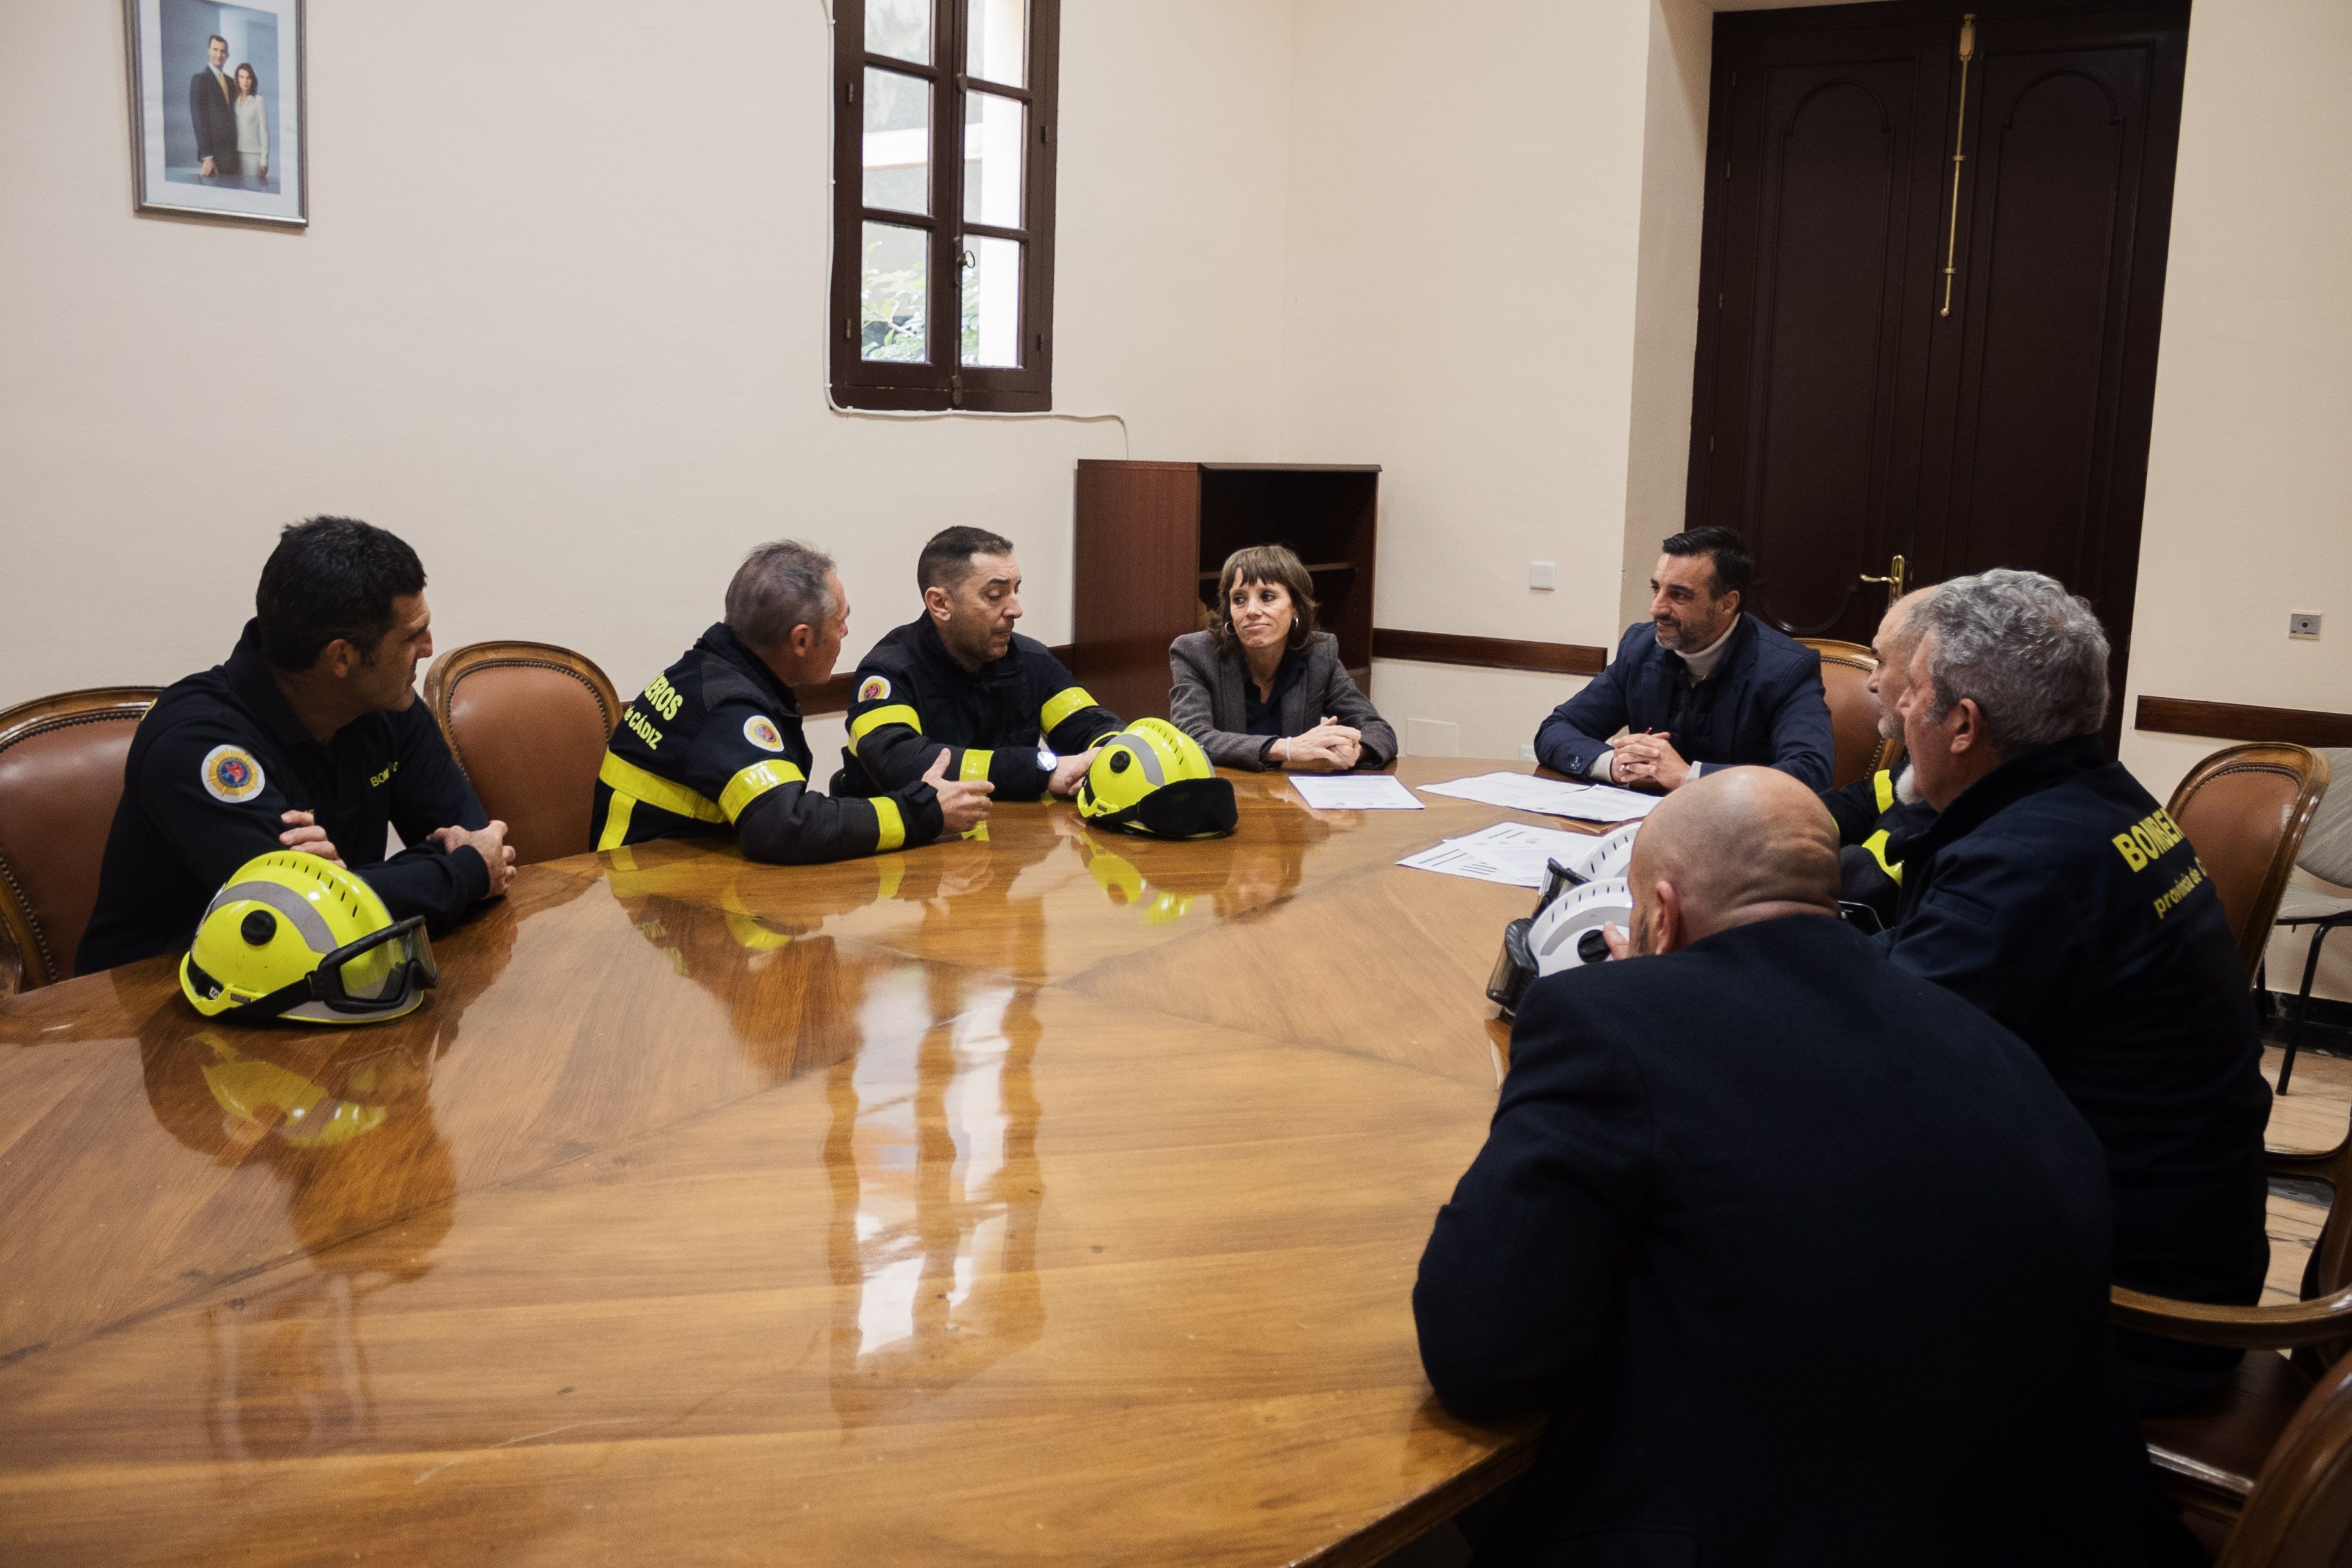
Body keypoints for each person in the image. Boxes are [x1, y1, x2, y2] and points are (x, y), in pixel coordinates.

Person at [1415, 767, 2139, 1567]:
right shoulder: (1985, 1038)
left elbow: (1479, 1356)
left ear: (1661, 912)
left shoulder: (1612, 1024)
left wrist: (1629, 1005)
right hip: (2044, 1525)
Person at [1886, 569, 2271, 1416]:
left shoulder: (2021, 868)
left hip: (2130, 1317)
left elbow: (1875, 1070)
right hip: (2190, 1240)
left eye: (1912, 691)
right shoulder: (2100, 801)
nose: (1896, 710)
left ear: (1963, 724)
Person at [79, 518, 514, 974]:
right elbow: (300, 921)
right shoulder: (196, 743)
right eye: (411, 636)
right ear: (341, 657)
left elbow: (482, 842)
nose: (428, 648)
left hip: (327, 990)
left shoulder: (386, 704)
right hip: (158, 1005)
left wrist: (342, 886)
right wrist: (455, 873)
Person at [596, 540, 990, 862]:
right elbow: (786, 826)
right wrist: (923, 811)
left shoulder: (709, 672)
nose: (846, 631)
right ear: (801, 640)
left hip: (665, 882)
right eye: (839, 621)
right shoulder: (728, 708)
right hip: (644, 900)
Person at [834, 527, 1124, 804]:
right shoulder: (888, 671)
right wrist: (1039, 769)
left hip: (1008, 841)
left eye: (1016, 591)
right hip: (906, 846)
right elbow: (900, 762)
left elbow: (1092, 724)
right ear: (940, 604)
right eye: (995, 595)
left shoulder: (1033, 661)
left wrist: (1112, 752)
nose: (1016, 609)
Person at [1532, 526, 1833, 792]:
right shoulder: (1640, 647)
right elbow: (1557, 728)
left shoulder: (1785, 668)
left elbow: (1810, 774)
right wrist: (1614, 763)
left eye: (1679, 595)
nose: (1657, 608)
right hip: (1640, 827)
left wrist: (1688, 777)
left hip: (1739, 835)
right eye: (1656, 589)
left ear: (1727, 603)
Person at [1168, 544, 1395, 772]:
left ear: (1295, 607)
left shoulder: (1318, 654)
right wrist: (1285, 748)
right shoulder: (1195, 653)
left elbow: (1376, 729)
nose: (1251, 610)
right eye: (1239, 599)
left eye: (1267, 597)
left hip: (1290, 797)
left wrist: (1356, 750)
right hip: (1222, 793)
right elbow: (1191, 737)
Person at [1819, 587, 1939, 925]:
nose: (1872, 683)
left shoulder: (1956, 795)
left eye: (1882, 662)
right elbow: (1862, 802)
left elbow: (1862, 894)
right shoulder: (1918, 772)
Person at [188, 34, 240, 184]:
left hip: (234, 156)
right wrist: (207, 157)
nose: (219, 54)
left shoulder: (231, 83)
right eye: (215, 50)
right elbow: (199, 120)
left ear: (228, 55)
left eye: (223, 51)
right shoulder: (200, 79)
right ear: (208, 51)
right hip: (214, 157)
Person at [233, 63, 269, 190]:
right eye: (242, 77)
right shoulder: (234, 100)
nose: (245, 81)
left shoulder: (259, 100)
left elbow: (264, 131)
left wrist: (264, 161)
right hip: (235, 154)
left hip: (253, 155)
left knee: (252, 191)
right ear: (237, 79)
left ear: (252, 80)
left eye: (248, 77)